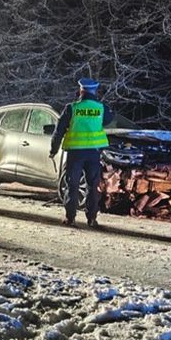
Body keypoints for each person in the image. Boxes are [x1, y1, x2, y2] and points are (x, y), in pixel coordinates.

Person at [49, 77, 114, 228]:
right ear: (95, 91)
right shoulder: (100, 108)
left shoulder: (72, 108)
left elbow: (58, 131)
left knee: (72, 185)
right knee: (92, 186)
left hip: (75, 153)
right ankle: (92, 218)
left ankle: (70, 218)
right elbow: (109, 119)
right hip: (93, 153)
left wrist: (54, 149)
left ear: (80, 90)